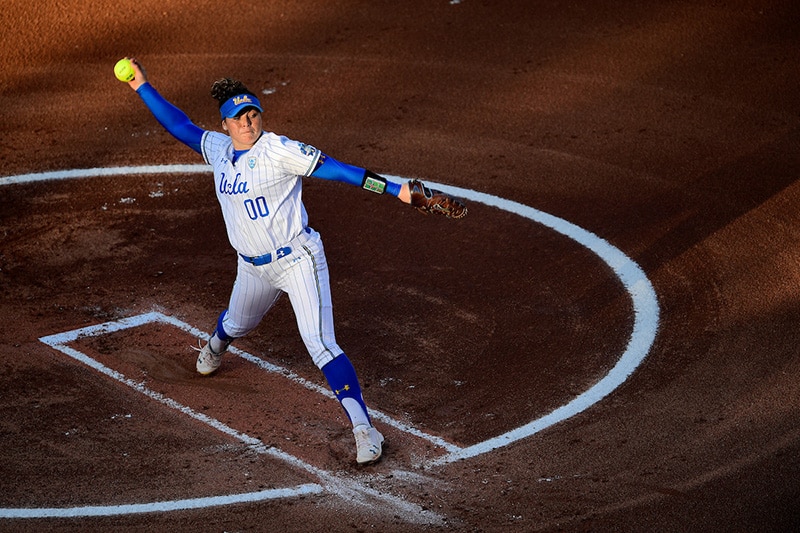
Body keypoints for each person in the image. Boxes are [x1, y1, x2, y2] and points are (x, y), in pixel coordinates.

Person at [120, 58, 465, 465]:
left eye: (252, 115)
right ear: (226, 124)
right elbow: (178, 126)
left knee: (320, 343)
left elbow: (338, 171)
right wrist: (141, 85)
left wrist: (396, 191)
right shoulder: (216, 148)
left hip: (298, 258)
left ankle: (364, 428)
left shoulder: (279, 150)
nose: (247, 123)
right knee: (236, 323)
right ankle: (215, 345)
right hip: (252, 267)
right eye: (238, 118)